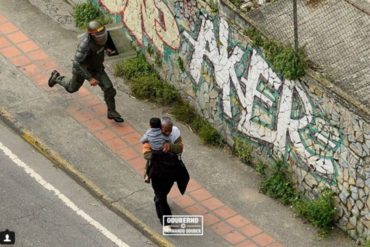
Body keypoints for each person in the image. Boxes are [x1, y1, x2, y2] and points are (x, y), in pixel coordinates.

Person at [47, 20, 124, 123]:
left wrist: (110, 50)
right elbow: (77, 63)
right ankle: (56, 78)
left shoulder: (105, 36)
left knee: (109, 88)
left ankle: (112, 111)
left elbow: (108, 47)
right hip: (82, 70)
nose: (102, 37)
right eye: (99, 35)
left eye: (103, 33)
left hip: (97, 68)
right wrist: (90, 78)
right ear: (92, 34)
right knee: (71, 88)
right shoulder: (85, 45)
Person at [148, 117, 185, 232]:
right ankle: (166, 223)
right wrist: (158, 152)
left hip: (171, 170)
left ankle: (159, 200)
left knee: (163, 193)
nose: (168, 133)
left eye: (169, 130)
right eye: (165, 131)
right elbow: (147, 154)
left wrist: (170, 147)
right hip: (157, 171)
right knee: (160, 197)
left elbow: (180, 149)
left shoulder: (175, 131)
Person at [140, 117, 170, 183]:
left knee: (153, 163)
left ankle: (148, 176)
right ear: (160, 124)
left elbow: (142, 141)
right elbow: (168, 139)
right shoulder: (163, 132)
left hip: (154, 152)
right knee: (155, 163)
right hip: (162, 152)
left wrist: (148, 138)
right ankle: (149, 176)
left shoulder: (148, 134)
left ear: (150, 125)